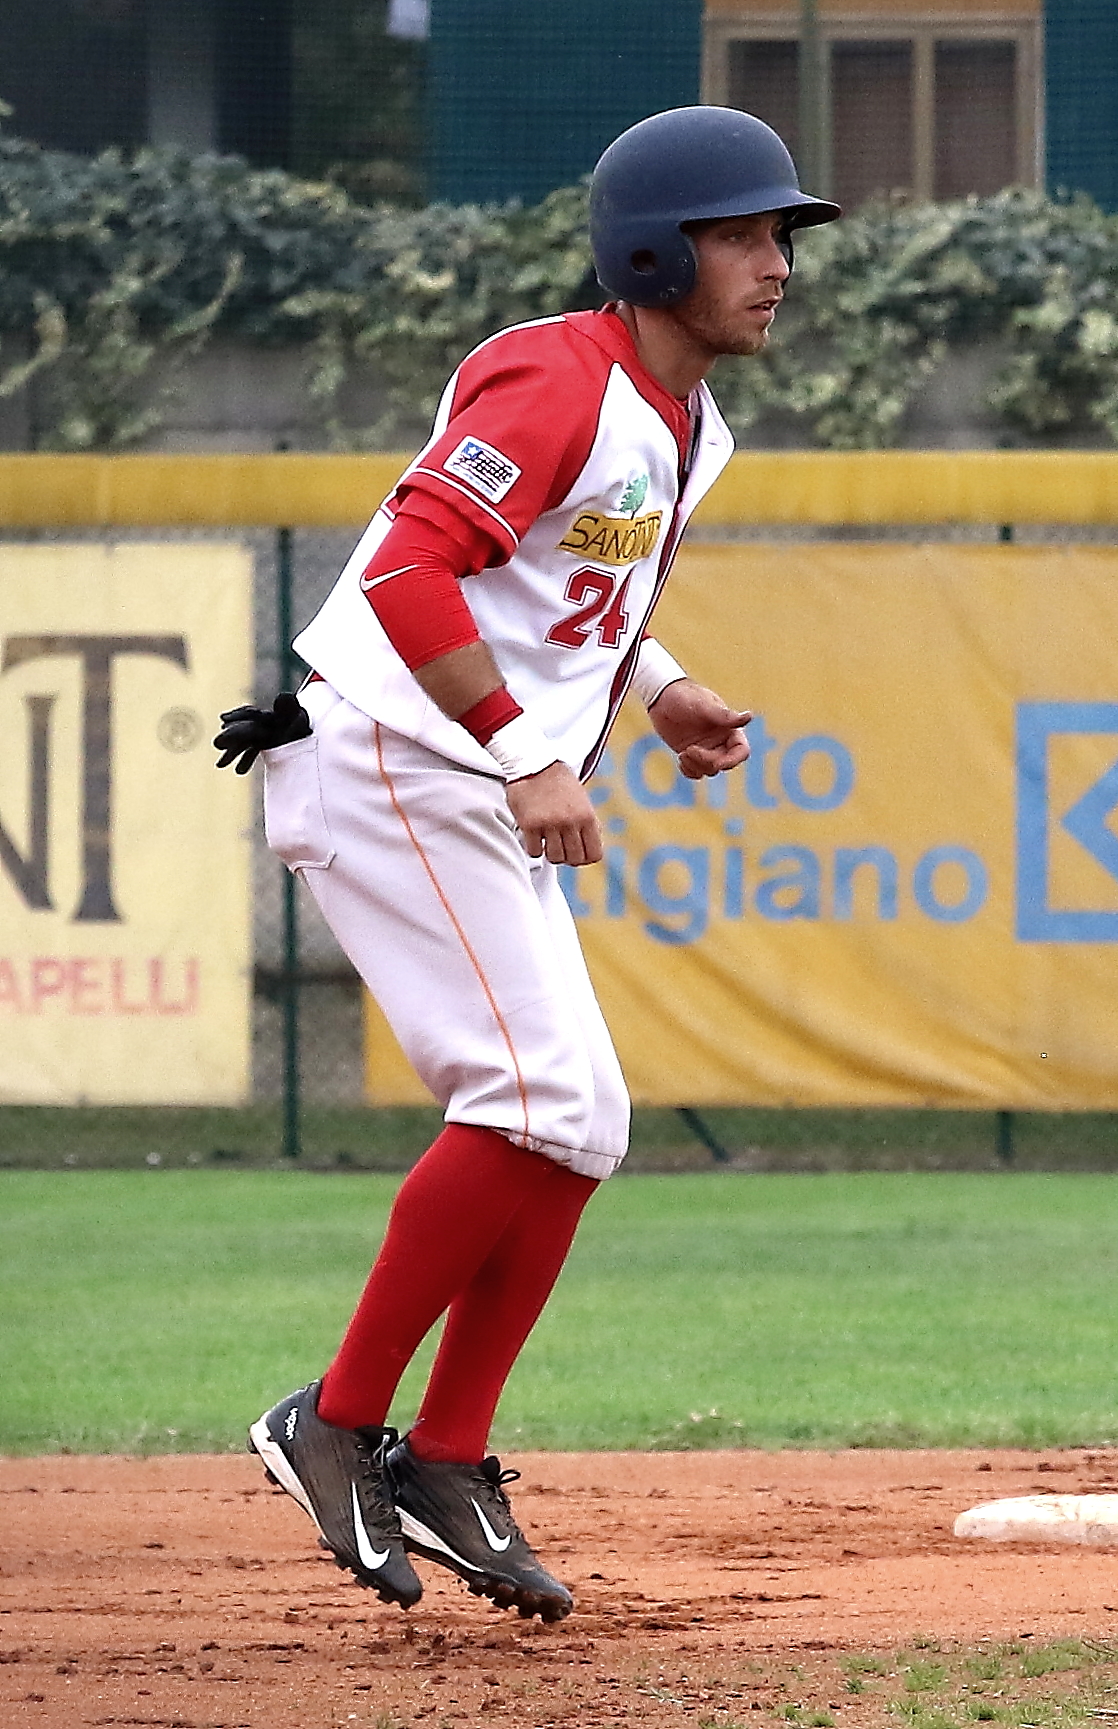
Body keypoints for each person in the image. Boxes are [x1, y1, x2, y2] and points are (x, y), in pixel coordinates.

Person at [217, 105, 839, 1621]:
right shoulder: (552, 375)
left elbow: (578, 581)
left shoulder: (694, 427)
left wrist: (658, 686)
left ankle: (445, 1452)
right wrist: (527, 747)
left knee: (581, 1121)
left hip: (452, 767)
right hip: (386, 753)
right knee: (533, 1098)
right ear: (650, 250)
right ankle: (337, 1420)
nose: (775, 265)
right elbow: (408, 565)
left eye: (780, 237)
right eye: (745, 234)